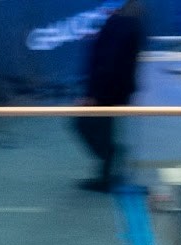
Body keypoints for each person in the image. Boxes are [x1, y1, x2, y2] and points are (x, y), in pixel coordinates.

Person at [73, 0, 145, 192]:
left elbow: (108, 62)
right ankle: (107, 170)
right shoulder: (131, 23)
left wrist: (94, 94)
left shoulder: (121, 24)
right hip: (117, 88)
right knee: (100, 128)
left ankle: (108, 166)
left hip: (107, 90)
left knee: (85, 125)